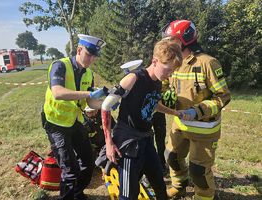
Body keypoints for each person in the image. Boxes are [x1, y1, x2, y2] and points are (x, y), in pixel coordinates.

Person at [101, 39, 183, 200]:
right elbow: (105, 106)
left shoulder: (158, 81)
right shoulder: (133, 78)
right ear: (155, 61)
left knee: (159, 184)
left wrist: (174, 112)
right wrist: (109, 143)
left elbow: (153, 104)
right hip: (128, 142)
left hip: (146, 138)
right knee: (129, 194)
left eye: (172, 71)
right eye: (168, 69)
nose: (169, 74)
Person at [161, 20, 231, 200]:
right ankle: (179, 186)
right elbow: (164, 85)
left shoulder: (208, 63)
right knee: (171, 157)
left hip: (204, 129)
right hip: (180, 125)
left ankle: (204, 197)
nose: (168, 44)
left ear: (185, 40)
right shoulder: (174, 61)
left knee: (198, 170)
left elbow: (223, 96)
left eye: (172, 40)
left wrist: (197, 111)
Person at [41, 34, 107, 200]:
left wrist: (105, 105)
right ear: (79, 49)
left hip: (74, 121)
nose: (91, 59)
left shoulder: (88, 73)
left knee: (88, 161)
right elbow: (57, 93)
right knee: (70, 170)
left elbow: (90, 102)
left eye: (94, 56)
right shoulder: (59, 66)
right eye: (89, 54)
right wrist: (90, 93)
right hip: (55, 124)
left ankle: (77, 193)